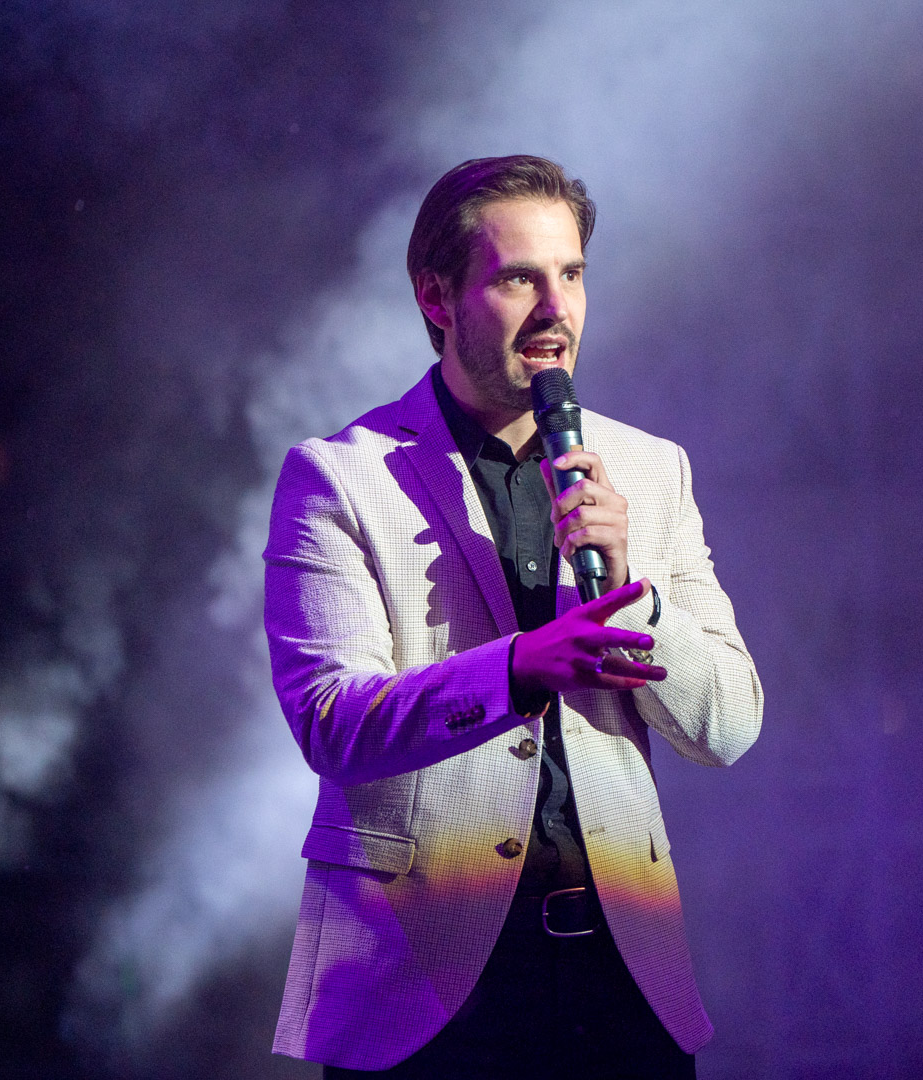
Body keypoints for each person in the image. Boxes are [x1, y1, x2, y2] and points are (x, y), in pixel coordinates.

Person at [263, 155, 763, 1078]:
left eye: (571, 274)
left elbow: (728, 726)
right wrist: (517, 668)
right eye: (518, 279)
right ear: (437, 296)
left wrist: (636, 590)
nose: (554, 309)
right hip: (420, 990)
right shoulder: (340, 477)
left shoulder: (651, 471)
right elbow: (331, 722)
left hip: (622, 976)